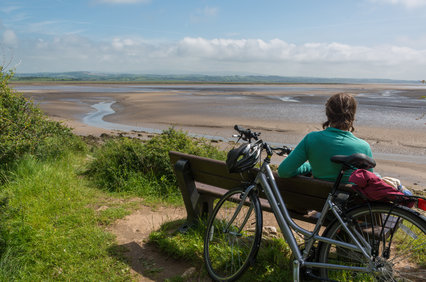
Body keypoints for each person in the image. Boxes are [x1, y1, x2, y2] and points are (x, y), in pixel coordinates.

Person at [278, 93, 373, 183]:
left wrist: (310, 167)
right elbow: (370, 182)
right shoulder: (364, 147)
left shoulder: (311, 138)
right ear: (352, 115)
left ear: (328, 113)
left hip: (315, 197)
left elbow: (283, 171)